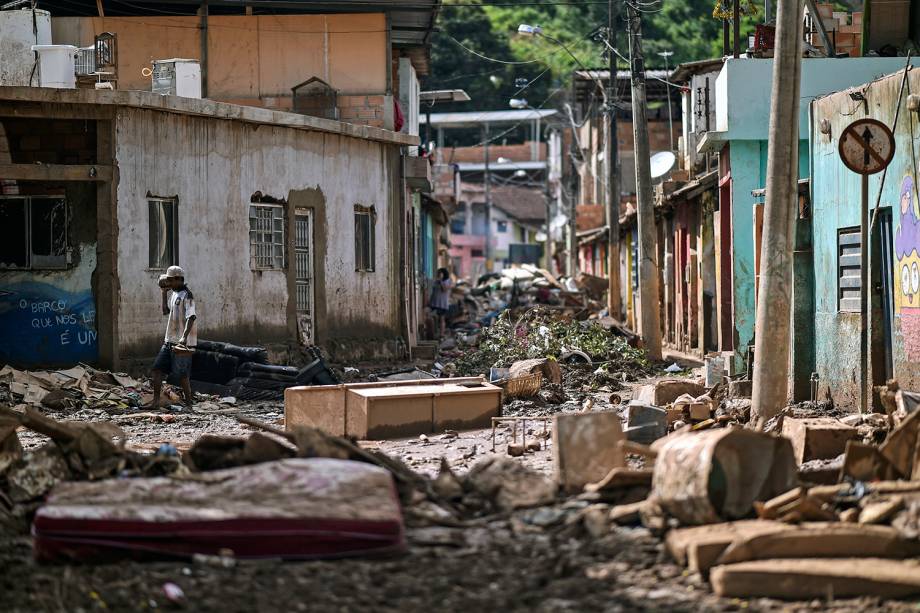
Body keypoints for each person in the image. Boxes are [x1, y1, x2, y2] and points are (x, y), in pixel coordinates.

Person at [150, 265, 197, 407]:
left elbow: (191, 317)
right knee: (157, 369)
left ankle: (189, 404)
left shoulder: (187, 295)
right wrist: (163, 293)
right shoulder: (174, 294)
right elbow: (165, 311)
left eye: (170, 280)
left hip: (183, 342)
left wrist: (184, 337)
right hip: (169, 340)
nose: (168, 283)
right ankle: (156, 401)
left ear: (178, 279)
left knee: (182, 375)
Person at [429, 267, 453, 338]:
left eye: (440, 273)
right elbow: (433, 291)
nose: (439, 275)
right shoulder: (436, 281)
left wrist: (441, 281)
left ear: (444, 273)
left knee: (442, 319)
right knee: (431, 317)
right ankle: (433, 334)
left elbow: (445, 289)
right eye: (438, 273)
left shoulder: (448, 281)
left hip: (442, 304)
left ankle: (441, 334)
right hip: (434, 303)